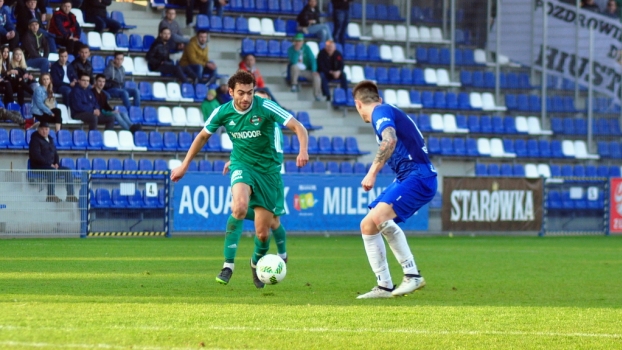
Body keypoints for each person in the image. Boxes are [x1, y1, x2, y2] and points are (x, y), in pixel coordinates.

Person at [170, 70, 309, 289]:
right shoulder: (222, 112)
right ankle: (228, 265)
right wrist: (184, 165)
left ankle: (255, 263)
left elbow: (297, 127)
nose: (246, 98)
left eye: (250, 93)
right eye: (241, 93)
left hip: (268, 173)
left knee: (263, 234)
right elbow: (203, 136)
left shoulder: (265, 107)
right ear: (231, 92)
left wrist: (303, 150)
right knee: (240, 207)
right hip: (241, 165)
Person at [351, 80, 437, 299]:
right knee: (368, 224)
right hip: (408, 176)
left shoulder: (381, 112)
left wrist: (372, 172)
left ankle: (412, 275)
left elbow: (389, 140)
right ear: (378, 98)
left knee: (379, 216)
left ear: (357, 105)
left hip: (418, 175)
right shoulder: (385, 109)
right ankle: (384, 285)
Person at [28, 121, 78, 203]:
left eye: (46, 129)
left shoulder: (50, 139)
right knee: (52, 171)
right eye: (42, 129)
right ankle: (51, 196)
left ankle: (70, 195)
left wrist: (56, 163)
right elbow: (36, 156)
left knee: (67, 171)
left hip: (50, 166)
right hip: (39, 166)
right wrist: (49, 164)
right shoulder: (35, 140)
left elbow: (55, 154)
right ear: (38, 130)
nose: (44, 131)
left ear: (49, 130)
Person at [287, 33, 322, 100]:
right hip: (296, 71)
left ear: (302, 41)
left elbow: (312, 59)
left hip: (306, 70)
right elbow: (293, 61)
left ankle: (317, 95)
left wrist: (314, 70)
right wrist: (296, 51)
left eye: (299, 41)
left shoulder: (307, 48)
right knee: (294, 66)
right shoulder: (290, 50)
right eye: (297, 41)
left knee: (317, 77)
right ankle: (294, 85)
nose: (298, 43)